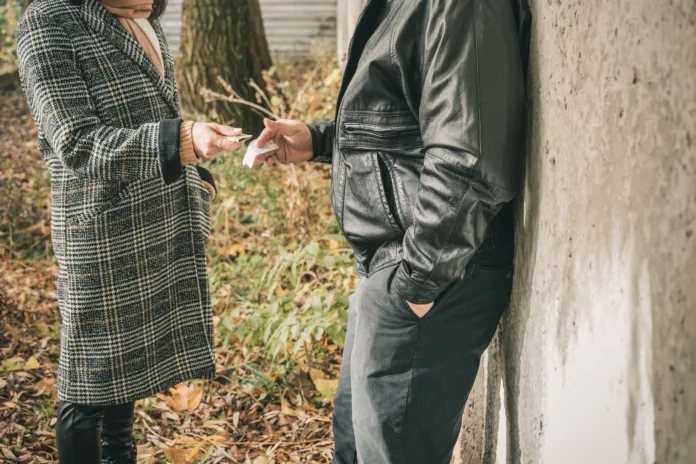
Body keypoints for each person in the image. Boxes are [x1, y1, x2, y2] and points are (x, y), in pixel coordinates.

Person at [255, 0, 532, 462]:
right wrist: (320, 138)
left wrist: (415, 286)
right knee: (354, 448)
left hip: (430, 273)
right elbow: (407, 117)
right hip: (395, 269)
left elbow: (468, 158)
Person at [16, 0, 243, 462]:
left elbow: (155, 108)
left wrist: (199, 176)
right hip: (98, 230)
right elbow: (76, 142)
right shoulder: (48, 22)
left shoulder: (141, 15)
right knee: (88, 381)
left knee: (127, 374)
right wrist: (180, 140)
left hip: (157, 220)